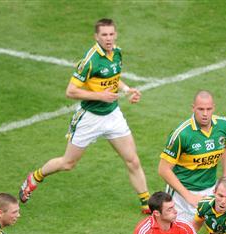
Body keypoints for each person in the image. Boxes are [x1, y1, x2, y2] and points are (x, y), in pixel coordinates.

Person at [19, 18, 151, 214]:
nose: (108, 38)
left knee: (132, 160)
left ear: (116, 34)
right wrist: (100, 96)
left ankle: (146, 203)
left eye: (111, 34)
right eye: (104, 35)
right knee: (68, 163)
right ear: (96, 37)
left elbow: (113, 77)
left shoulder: (117, 52)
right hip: (89, 117)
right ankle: (35, 177)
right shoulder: (90, 61)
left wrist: (126, 90)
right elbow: (70, 91)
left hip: (113, 115)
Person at [158, 90, 226, 222]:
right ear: (193, 108)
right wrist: (188, 196)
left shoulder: (224, 126)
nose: (205, 114)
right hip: (182, 194)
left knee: (220, 230)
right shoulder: (182, 135)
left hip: (211, 189)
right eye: (201, 109)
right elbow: (163, 170)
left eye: (209, 109)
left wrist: (225, 177)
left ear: (214, 108)